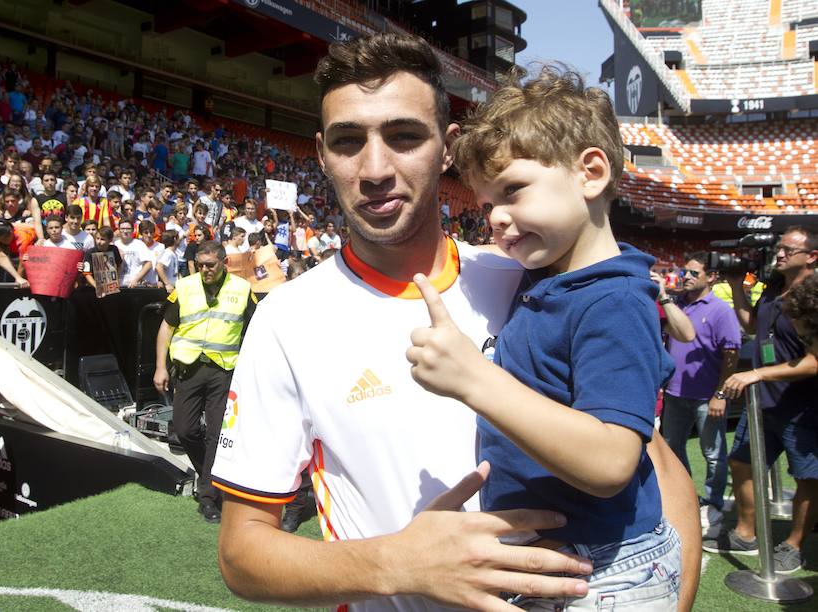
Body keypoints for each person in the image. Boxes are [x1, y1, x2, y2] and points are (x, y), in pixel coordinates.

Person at [213, 33, 699, 612]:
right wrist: (395, 563)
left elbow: (657, 464)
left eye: (404, 136)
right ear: (322, 155)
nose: (374, 168)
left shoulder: (533, 280)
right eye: (348, 141)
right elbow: (242, 555)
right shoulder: (287, 319)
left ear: (447, 148)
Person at [406, 64, 682, 609]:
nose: (497, 220)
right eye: (486, 205)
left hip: (602, 572)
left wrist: (474, 380)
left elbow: (610, 464)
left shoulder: (615, 302)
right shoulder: (552, 273)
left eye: (513, 191)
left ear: (592, 172)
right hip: (559, 561)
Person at [703, 226, 817, 574]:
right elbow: (754, 326)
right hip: (763, 403)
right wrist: (739, 287)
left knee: (808, 478)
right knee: (742, 463)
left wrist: (758, 374)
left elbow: (814, 360)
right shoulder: (773, 287)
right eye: (779, 248)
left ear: (811, 257)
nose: (779, 254)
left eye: (788, 250)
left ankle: (794, 543)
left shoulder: (813, 294)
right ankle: (747, 532)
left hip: (803, 406)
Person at [153, 240, 256, 523]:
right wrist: (160, 367)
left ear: (224, 262)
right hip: (188, 370)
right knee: (185, 430)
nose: (205, 270)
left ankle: (209, 497)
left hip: (223, 372)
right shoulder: (184, 287)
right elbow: (166, 328)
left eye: (210, 265)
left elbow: (255, 329)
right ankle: (210, 475)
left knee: (215, 434)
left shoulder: (242, 289)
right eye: (200, 265)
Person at [658, 254, 741, 531]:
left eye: (694, 273)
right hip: (675, 393)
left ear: (712, 277)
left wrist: (720, 394)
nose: (687, 277)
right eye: (685, 272)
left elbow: (731, 354)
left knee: (713, 452)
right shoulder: (677, 304)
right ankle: (685, 496)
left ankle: (713, 501)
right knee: (672, 449)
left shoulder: (720, 310)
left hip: (707, 396)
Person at [115, 217, 153, 288]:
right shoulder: (114, 245)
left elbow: (148, 264)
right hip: (118, 285)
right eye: (122, 228)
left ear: (133, 230)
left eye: (128, 229)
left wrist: (136, 280)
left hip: (134, 286)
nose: (125, 231)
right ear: (119, 230)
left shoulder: (139, 244)